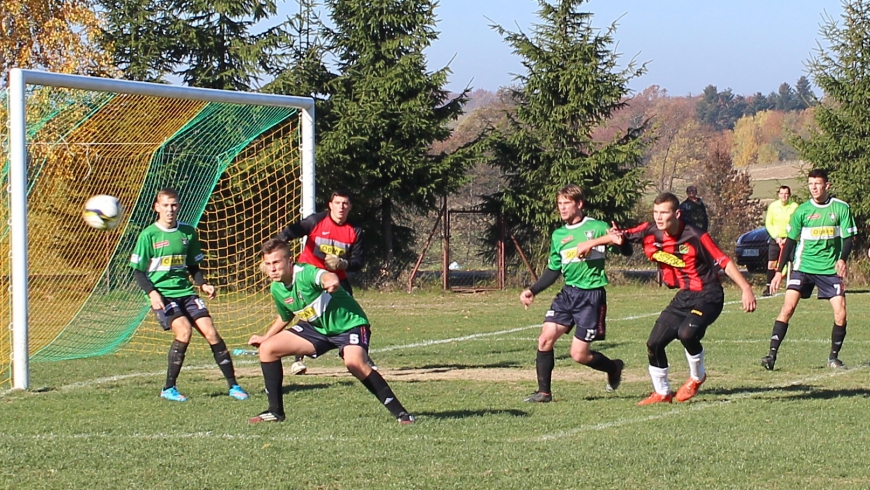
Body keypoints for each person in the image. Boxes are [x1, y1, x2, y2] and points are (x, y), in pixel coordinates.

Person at [596, 192, 755, 404]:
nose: (658, 217)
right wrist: (590, 245)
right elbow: (620, 236)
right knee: (654, 343)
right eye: (655, 212)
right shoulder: (650, 231)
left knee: (687, 334)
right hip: (684, 296)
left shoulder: (695, 235)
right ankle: (662, 393)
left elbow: (723, 261)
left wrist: (746, 288)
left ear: (677, 213)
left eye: (664, 212)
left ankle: (697, 378)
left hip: (708, 294)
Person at [247, 238, 414, 424]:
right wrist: (265, 338)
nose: (272, 268)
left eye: (276, 262)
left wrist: (331, 280)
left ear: (289, 261)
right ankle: (275, 412)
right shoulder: (277, 288)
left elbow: (325, 276)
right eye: (268, 264)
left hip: (350, 324)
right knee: (267, 349)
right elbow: (285, 317)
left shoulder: (305, 273)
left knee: (354, 363)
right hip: (317, 328)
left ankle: (402, 414)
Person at [130, 188, 249, 402]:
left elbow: (193, 266)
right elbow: (138, 271)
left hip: (186, 292)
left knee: (211, 333)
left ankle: (234, 386)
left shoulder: (188, 233)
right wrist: (152, 293)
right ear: (156, 207)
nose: (170, 209)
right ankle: (168, 388)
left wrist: (203, 284)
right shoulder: (148, 235)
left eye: (174, 205)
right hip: (164, 295)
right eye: (165, 205)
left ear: (179, 207)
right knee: (184, 331)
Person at [518, 184, 631, 403]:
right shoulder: (558, 235)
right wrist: (533, 290)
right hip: (568, 294)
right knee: (545, 338)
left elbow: (625, 250)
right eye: (559, 204)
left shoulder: (597, 227)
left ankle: (613, 367)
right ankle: (544, 393)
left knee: (578, 355)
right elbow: (554, 269)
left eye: (566, 203)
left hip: (591, 297)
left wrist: (621, 239)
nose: (562, 208)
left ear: (579, 204)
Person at [761, 169, 856, 371]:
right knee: (787, 308)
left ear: (827, 186)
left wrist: (842, 259)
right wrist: (779, 271)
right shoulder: (802, 211)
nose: (813, 187)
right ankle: (771, 355)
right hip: (803, 268)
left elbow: (848, 238)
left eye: (817, 183)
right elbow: (789, 243)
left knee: (841, 314)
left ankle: (833, 358)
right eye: (810, 183)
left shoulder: (841, 209)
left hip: (829, 270)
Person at [276, 190, 366, 375]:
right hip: (309, 277)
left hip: (335, 279)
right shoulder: (316, 221)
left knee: (350, 311)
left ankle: (357, 351)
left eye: (345, 203)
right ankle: (297, 359)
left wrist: (344, 263)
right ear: (330, 205)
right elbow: (289, 233)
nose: (341, 207)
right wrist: (275, 252)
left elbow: (359, 262)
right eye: (337, 203)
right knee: (307, 311)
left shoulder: (355, 230)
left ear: (350, 207)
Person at [763, 186, 798, 296]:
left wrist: (788, 238)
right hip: (776, 239)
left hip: (790, 239)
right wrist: (777, 237)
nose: (784, 196)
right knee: (771, 264)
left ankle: (795, 287)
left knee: (794, 263)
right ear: (778, 195)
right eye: (782, 193)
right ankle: (769, 288)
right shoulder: (773, 206)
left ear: (789, 195)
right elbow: (769, 223)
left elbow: (796, 224)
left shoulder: (794, 207)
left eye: (786, 193)